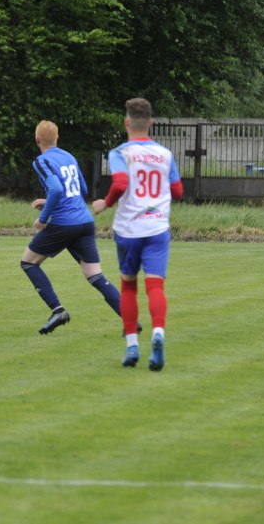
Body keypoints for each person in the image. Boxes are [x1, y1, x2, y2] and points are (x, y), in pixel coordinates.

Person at [92, 98, 182, 371]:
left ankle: (132, 344)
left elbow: (120, 183)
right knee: (155, 286)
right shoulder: (165, 154)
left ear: (126, 122)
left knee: (128, 285)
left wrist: (105, 203)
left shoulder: (120, 152)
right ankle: (158, 334)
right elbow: (178, 191)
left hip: (129, 229)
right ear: (151, 123)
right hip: (156, 228)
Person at [22, 121, 124, 335]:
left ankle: (57, 310)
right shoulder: (69, 156)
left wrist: (43, 217)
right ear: (57, 138)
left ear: (37, 140)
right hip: (84, 222)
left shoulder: (41, 161)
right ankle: (130, 321)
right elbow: (82, 189)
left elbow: (57, 189)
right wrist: (48, 199)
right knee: (95, 275)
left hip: (63, 223)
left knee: (29, 263)